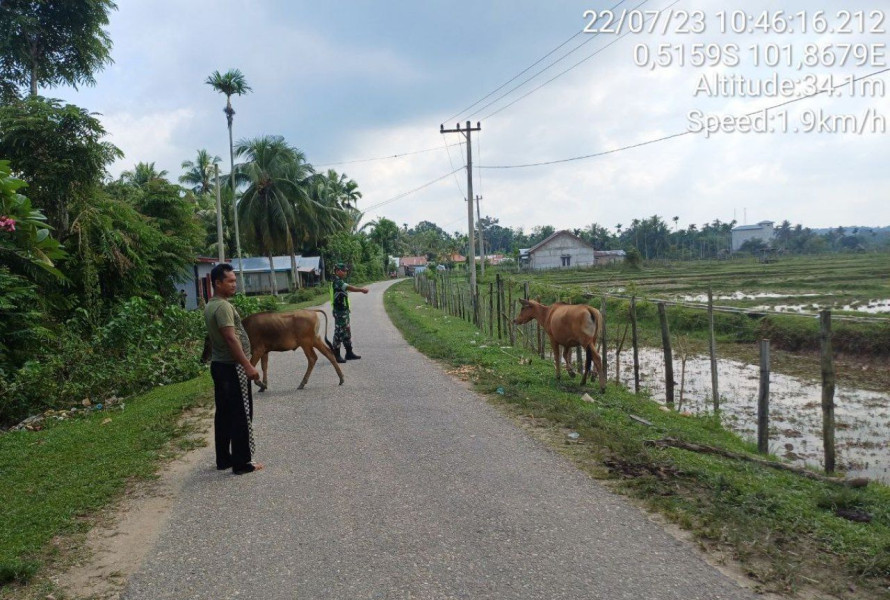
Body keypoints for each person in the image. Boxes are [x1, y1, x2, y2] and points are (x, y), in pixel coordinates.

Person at [204, 263, 263, 475]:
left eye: (234, 280)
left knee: (224, 414)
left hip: (219, 366)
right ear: (217, 283)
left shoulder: (211, 305)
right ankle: (241, 463)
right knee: (241, 414)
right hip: (232, 367)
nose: (234, 284)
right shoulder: (223, 307)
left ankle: (223, 458)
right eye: (229, 281)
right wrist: (247, 365)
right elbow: (230, 338)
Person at [330, 262, 369, 364]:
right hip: (339, 312)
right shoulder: (337, 281)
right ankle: (336, 355)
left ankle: (349, 353)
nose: (345, 272)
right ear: (338, 271)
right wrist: (361, 290)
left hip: (344, 311)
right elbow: (349, 287)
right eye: (344, 270)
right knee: (339, 332)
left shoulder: (340, 280)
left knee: (346, 331)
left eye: (345, 271)